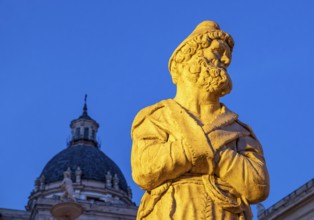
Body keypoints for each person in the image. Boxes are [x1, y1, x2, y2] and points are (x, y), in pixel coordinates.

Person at [131, 21, 270, 220]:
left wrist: (199, 152)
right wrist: (217, 148)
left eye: (227, 56)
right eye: (218, 51)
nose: (225, 60)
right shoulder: (156, 117)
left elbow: (257, 187)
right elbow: (145, 170)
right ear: (188, 59)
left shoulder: (239, 129)